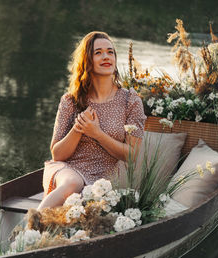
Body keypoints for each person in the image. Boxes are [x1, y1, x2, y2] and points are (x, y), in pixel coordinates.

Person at [37, 31, 146, 210]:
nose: (106, 57)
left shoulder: (130, 101)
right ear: (87, 60)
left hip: (104, 181)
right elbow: (57, 154)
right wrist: (78, 128)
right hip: (67, 171)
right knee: (72, 184)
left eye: (110, 52)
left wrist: (97, 133)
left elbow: (132, 155)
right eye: (98, 53)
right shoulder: (70, 100)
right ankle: (26, 229)